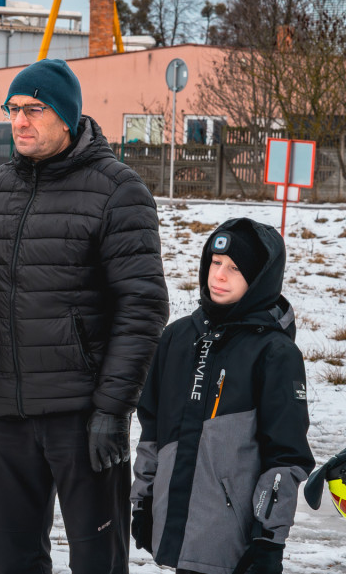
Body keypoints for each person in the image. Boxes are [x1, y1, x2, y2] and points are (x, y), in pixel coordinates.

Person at [0, 58, 169, 574]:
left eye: (35, 109)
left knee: (97, 561)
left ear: (68, 117)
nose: (20, 121)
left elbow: (142, 308)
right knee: (11, 558)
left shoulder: (117, 191)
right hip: (8, 412)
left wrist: (112, 409)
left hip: (82, 417)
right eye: (13, 109)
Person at [131, 218, 314, 574]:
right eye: (215, 263)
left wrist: (268, 538)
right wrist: (144, 501)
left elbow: (286, 456)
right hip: (179, 527)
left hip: (236, 541)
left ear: (260, 279)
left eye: (234, 268)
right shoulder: (178, 338)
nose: (219, 275)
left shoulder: (274, 352)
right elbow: (152, 429)